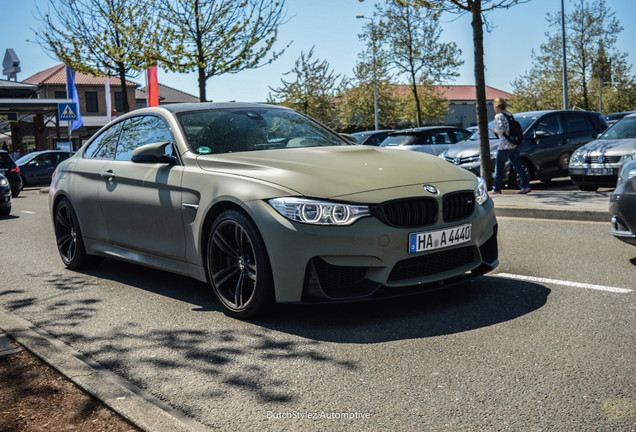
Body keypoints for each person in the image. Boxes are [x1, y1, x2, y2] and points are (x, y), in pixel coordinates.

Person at [489, 97, 531, 195]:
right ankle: (526, 186)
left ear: (497, 106)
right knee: (518, 167)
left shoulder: (499, 116)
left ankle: (496, 189)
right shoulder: (508, 114)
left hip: (504, 146)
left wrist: (494, 131)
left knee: (499, 169)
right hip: (514, 144)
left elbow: (501, 130)